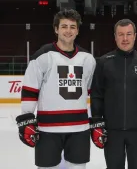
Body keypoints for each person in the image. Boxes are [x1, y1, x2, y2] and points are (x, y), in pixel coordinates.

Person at [15, 9, 96, 169]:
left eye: (72, 27)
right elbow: (30, 90)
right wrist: (27, 118)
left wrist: (96, 119)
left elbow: (92, 92)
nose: (68, 30)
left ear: (78, 30)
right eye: (64, 26)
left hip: (79, 129)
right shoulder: (42, 56)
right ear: (56, 29)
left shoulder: (88, 59)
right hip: (47, 129)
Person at [89, 19, 137, 169]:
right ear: (115, 36)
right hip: (112, 131)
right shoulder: (103, 63)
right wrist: (97, 122)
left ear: (135, 36)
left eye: (129, 34)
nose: (125, 39)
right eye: (121, 34)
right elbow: (97, 95)